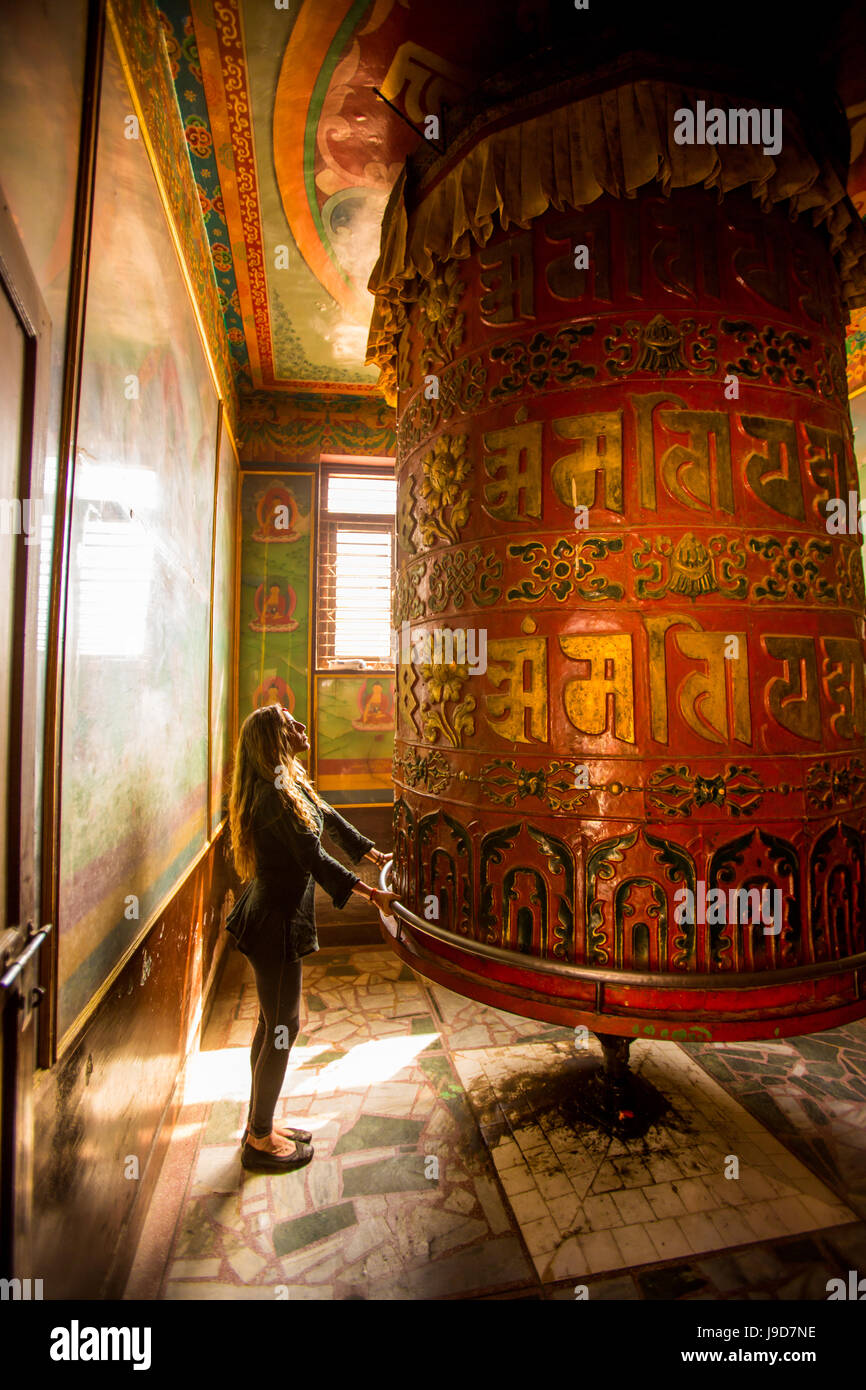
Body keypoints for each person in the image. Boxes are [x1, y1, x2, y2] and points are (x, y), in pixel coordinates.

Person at [226, 703, 398, 1172]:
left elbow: (330, 818)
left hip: (276, 917)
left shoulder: (288, 783)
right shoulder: (273, 796)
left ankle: (259, 1123)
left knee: (271, 1025)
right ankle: (259, 1139)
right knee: (282, 1027)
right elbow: (313, 858)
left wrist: (371, 850)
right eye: (289, 724)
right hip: (273, 923)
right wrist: (370, 895)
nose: (301, 727)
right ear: (273, 740)